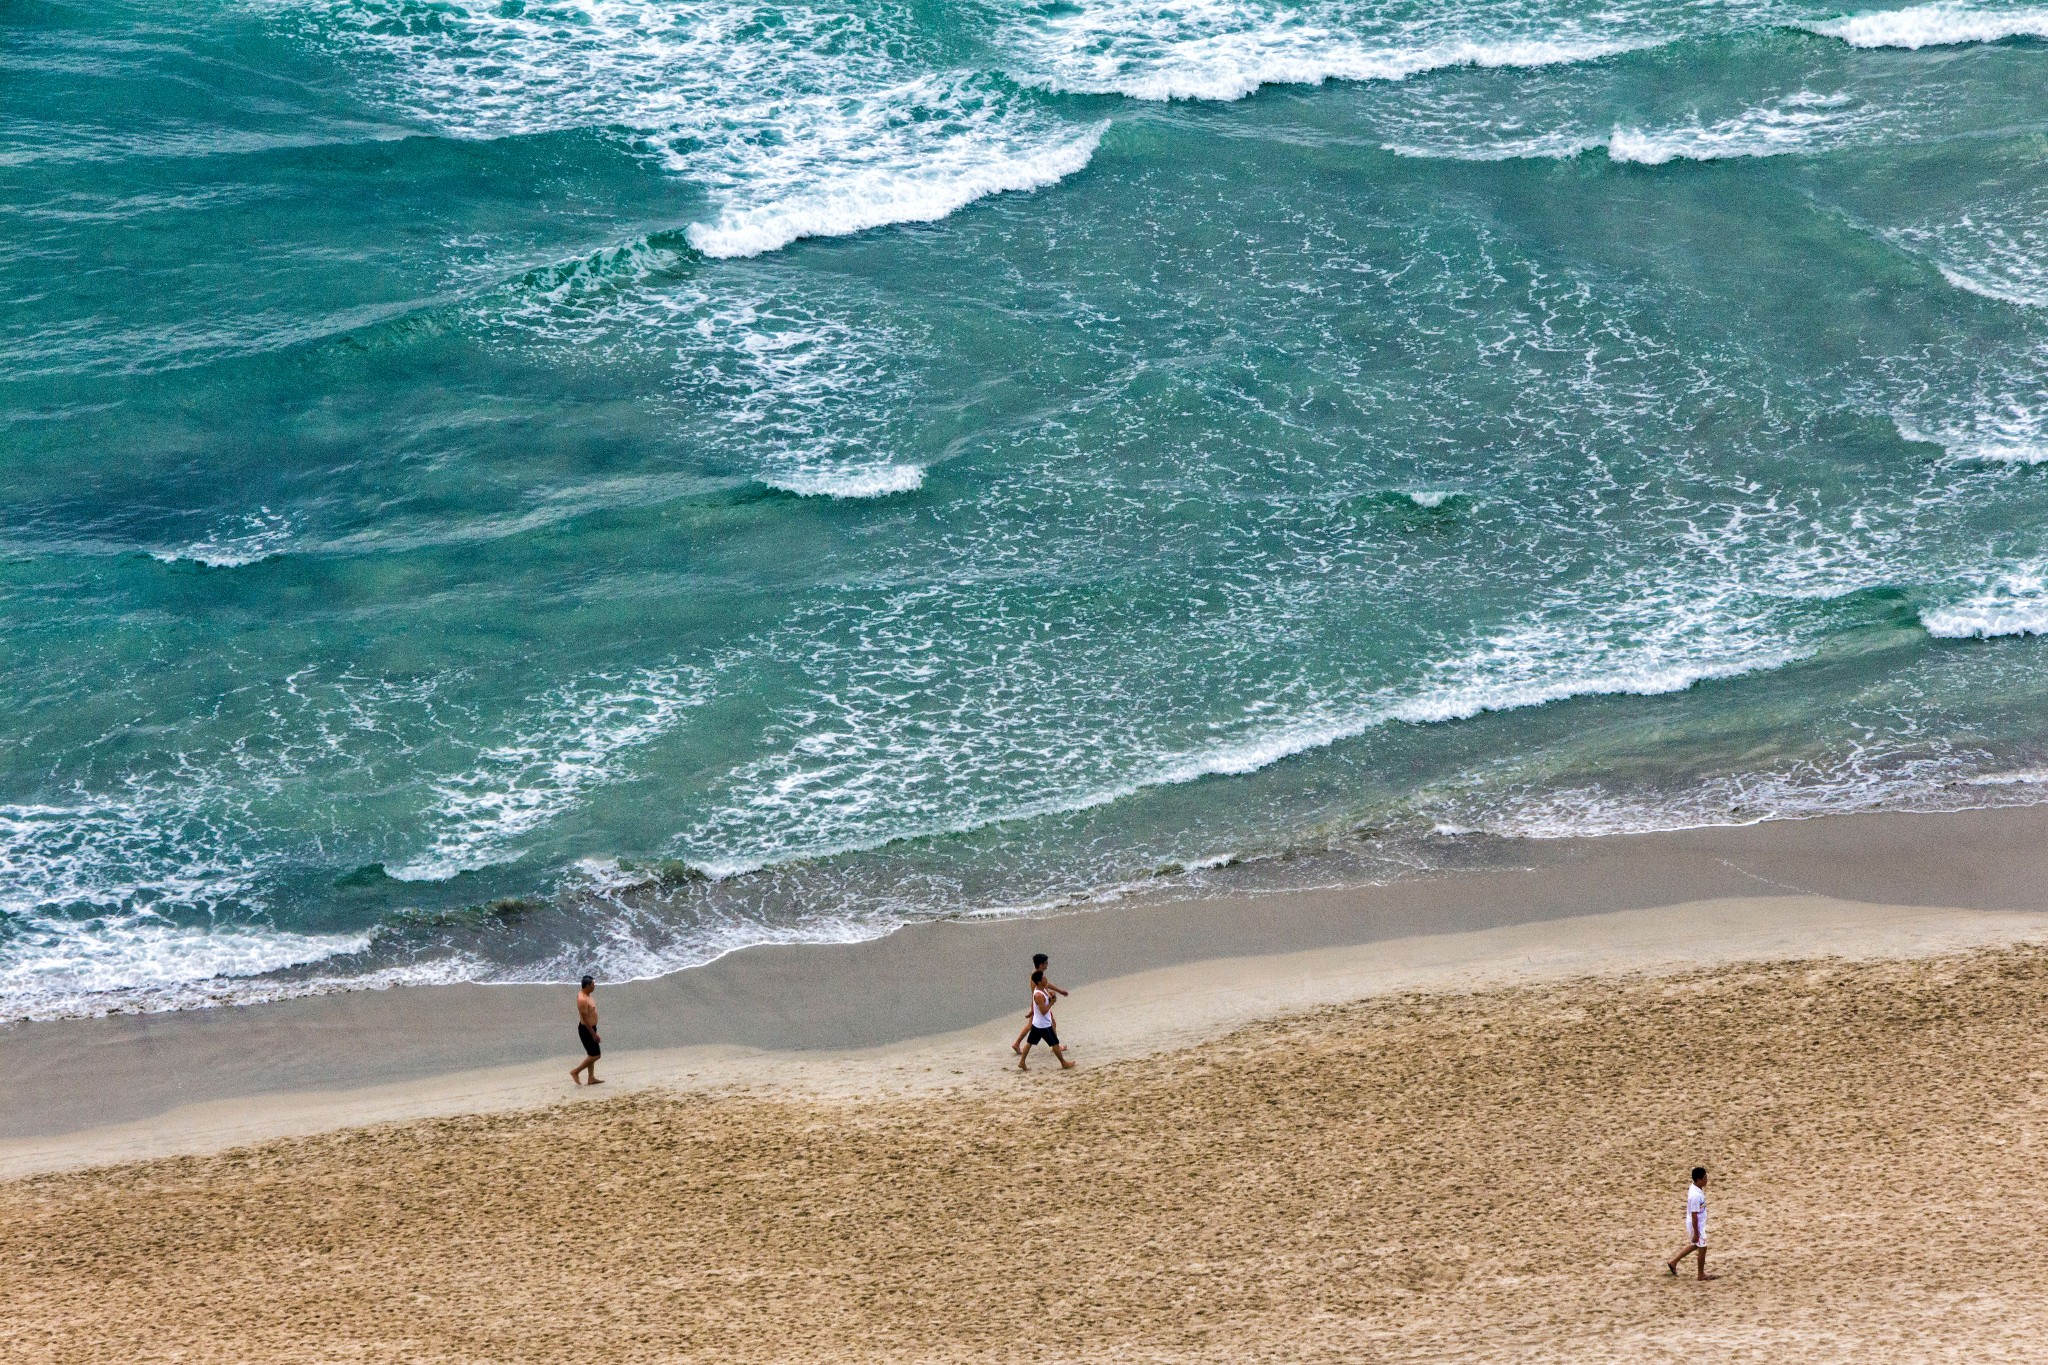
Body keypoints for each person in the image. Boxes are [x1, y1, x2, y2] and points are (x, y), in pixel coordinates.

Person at [1012, 952, 1068, 1055]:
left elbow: (1045, 985)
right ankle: (1056, 1046)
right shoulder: (1036, 976)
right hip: (1038, 1004)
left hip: (1038, 1003)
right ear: (1041, 964)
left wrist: (1058, 991)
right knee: (1039, 1025)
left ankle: (1017, 1044)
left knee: (1034, 1025)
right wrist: (1033, 1009)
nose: (1047, 964)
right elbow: (1036, 993)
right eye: (1046, 963)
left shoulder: (1038, 974)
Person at [1017, 969, 1073, 1071]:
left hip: (1038, 1023)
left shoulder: (1043, 990)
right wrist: (1052, 1003)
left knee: (1030, 1042)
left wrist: (1052, 996)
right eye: (1043, 978)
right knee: (1055, 1043)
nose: (1046, 978)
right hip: (1043, 1025)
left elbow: (1047, 997)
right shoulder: (1038, 995)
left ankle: (1022, 1062)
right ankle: (1064, 1063)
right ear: (1039, 982)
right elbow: (1043, 1011)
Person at [1666, 1167, 1716, 1280]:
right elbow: (1694, 1216)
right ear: (1698, 1180)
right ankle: (1701, 1274)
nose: (1706, 1180)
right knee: (1703, 1247)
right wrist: (1696, 1233)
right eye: (1704, 1178)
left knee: (1695, 1245)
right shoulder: (1695, 1196)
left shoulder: (1695, 1188)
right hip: (1696, 1224)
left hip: (1698, 1224)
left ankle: (1673, 1262)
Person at [570, 975, 603, 1086]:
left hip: (591, 1028)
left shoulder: (587, 994)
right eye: (593, 984)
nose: (594, 986)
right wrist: (594, 1034)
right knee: (595, 1055)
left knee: (591, 1054)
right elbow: (584, 1019)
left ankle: (591, 1078)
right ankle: (576, 1071)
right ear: (588, 986)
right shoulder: (582, 999)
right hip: (586, 1029)